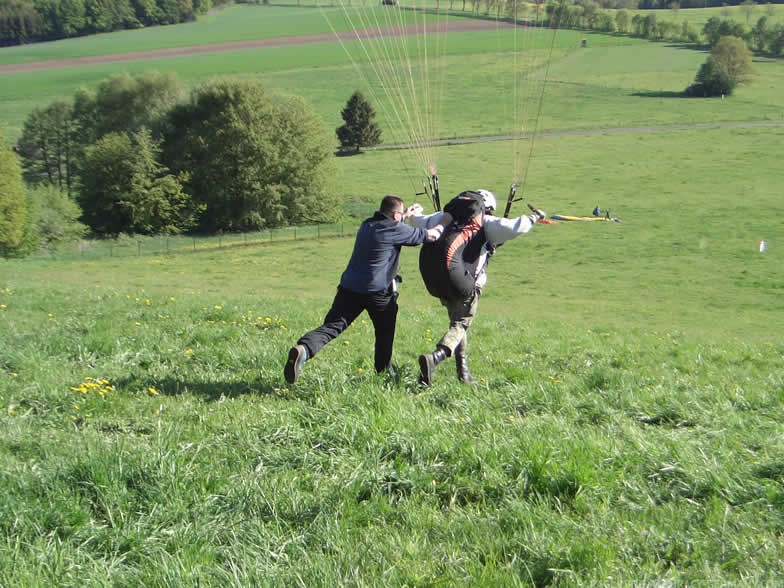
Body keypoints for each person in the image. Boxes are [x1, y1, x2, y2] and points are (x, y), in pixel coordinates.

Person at [284, 195, 446, 384]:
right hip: (377, 292)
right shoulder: (395, 229)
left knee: (333, 326)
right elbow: (431, 235)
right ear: (395, 215)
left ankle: (303, 350)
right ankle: (383, 373)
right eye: (400, 214)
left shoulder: (366, 225)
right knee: (385, 331)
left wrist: (405, 215)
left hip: (349, 287)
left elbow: (391, 226)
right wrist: (445, 220)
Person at [410, 189, 544, 386]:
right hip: (463, 282)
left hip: (436, 280)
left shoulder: (442, 217)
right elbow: (515, 227)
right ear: (486, 208)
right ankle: (435, 358)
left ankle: (463, 373)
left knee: (455, 324)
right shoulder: (486, 222)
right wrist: (534, 217)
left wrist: (416, 211)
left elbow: (418, 221)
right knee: (461, 324)